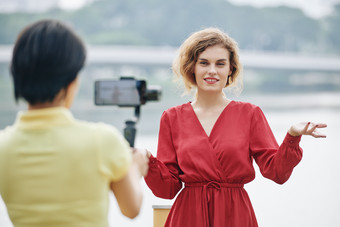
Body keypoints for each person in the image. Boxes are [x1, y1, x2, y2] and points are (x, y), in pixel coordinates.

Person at [144, 27, 327, 227]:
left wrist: (292, 136)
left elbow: (276, 172)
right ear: (192, 67)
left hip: (235, 215)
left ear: (230, 69)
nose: (212, 70)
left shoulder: (250, 114)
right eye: (204, 63)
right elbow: (167, 189)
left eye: (220, 64)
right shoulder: (172, 118)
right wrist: (147, 162)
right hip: (188, 216)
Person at [0, 19, 149, 227]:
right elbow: (131, 209)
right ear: (71, 83)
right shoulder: (101, 139)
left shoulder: (3, 146)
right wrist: (135, 168)